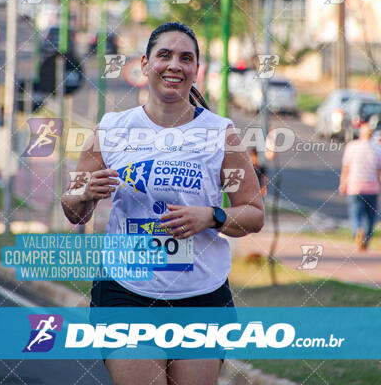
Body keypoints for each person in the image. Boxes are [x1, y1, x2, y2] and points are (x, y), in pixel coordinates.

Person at [62, 22, 264, 385]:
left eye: (186, 58)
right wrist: (86, 191)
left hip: (201, 297)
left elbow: (253, 213)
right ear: (145, 64)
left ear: (196, 70)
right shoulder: (112, 128)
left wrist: (212, 216)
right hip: (127, 293)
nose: (175, 65)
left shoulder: (221, 133)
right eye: (164, 55)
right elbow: (71, 206)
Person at [339, 121, 381, 251]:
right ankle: (366, 238)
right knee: (370, 216)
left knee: (355, 213)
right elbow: (379, 171)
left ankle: (358, 230)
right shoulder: (377, 149)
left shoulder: (352, 147)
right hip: (372, 187)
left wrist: (343, 184)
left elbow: (346, 168)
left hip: (355, 185)